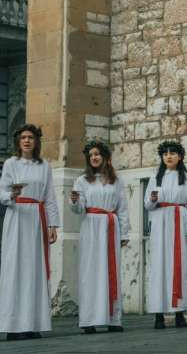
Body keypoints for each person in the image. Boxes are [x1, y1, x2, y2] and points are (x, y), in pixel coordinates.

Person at [0, 124, 60, 340]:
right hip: (17, 217)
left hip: (37, 220)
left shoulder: (44, 166)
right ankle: (14, 326)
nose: (26, 141)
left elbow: (50, 197)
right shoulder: (11, 163)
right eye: (23, 137)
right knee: (16, 269)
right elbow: (1, 193)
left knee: (35, 270)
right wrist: (12, 195)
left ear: (36, 141)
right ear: (18, 141)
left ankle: (33, 323)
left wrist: (53, 225)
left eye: (30, 137)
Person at [70, 140, 130, 334]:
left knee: (111, 271)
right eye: (91, 155)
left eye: (97, 154)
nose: (94, 157)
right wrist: (75, 201)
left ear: (105, 157)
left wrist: (125, 233)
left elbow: (122, 208)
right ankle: (89, 320)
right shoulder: (82, 181)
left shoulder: (116, 180)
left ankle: (113, 319)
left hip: (111, 227)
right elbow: (79, 209)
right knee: (91, 272)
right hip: (91, 227)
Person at [146, 140, 187, 328]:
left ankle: (179, 312)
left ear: (180, 156)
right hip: (160, 222)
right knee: (159, 266)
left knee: (179, 265)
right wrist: (152, 199)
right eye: (165, 153)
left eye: (173, 153)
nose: (169, 156)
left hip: (179, 221)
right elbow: (148, 204)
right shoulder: (156, 177)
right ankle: (158, 314)